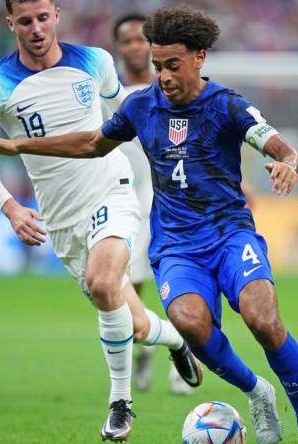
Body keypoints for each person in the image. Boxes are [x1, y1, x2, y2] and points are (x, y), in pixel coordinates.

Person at [0, 5, 298, 444]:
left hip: (230, 232)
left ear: (199, 58)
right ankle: (258, 393)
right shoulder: (142, 107)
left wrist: (285, 164)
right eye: (158, 67)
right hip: (175, 244)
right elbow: (91, 144)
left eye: (172, 66)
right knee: (191, 325)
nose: (164, 77)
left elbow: (278, 146)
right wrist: (16, 145)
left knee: (262, 318)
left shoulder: (227, 105)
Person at [0, 1, 201, 441]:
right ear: (10, 22)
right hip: (61, 219)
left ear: (56, 14)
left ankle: (120, 404)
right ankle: (175, 341)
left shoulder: (95, 62)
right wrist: (10, 207)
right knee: (136, 322)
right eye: (26, 21)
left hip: (113, 191)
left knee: (105, 282)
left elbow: (122, 124)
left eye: (43, 17)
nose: (36, 29)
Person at [110, 12, 193, 397]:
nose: (134, 47)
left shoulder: (173, 89)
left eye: (140, 39)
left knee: (178, 277)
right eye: (126, 41)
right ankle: (147, 345)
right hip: (128, 198)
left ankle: (182, 358)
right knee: (133, 285)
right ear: (119, 48)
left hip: (171, 196)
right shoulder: (111, 94)